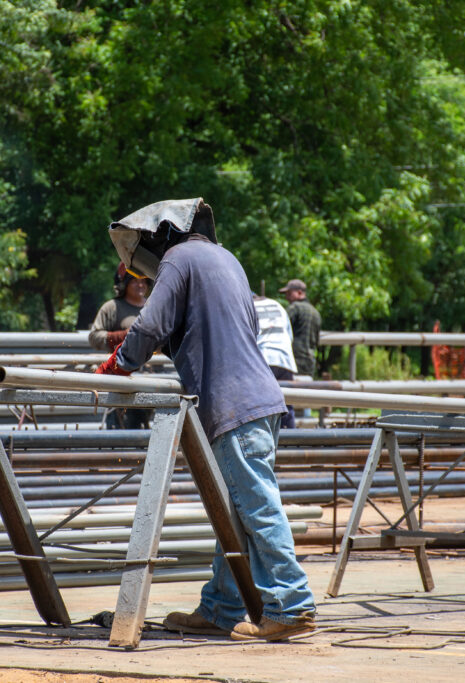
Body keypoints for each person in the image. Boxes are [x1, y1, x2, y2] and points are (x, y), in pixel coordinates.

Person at [96, 198, 316, 641]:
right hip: (259, 401)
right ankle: (221, 606)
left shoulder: (178, 259)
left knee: (255, 506)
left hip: (233, 406)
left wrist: (117, 365)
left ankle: (292, 606)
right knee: (231, 509)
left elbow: (149, 326)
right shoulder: (225, 258)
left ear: (159, 239)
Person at [88, 264, 151, 429]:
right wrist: (124, 336)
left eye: (143, 281)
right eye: (135, 281)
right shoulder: (112, 307)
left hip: (151, 377)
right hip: (121, 376)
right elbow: (94, 336)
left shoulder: (154, 308)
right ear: (124, 284)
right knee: (120, 428)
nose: (140, 285)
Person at [253, 293, 297, 429]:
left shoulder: (250, 306)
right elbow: (289, 336)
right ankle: (291, 443)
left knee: (261, 406)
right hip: (285, 359)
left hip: (263, 359)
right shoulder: (278, 305)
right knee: (287, 403)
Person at [279, 279, 321, 378]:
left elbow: (281, 329)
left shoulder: (294, 308)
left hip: (293, 362)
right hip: (309, 363)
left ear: (299, 292)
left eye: (289, 293)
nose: (286, 297)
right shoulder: (316, 312)